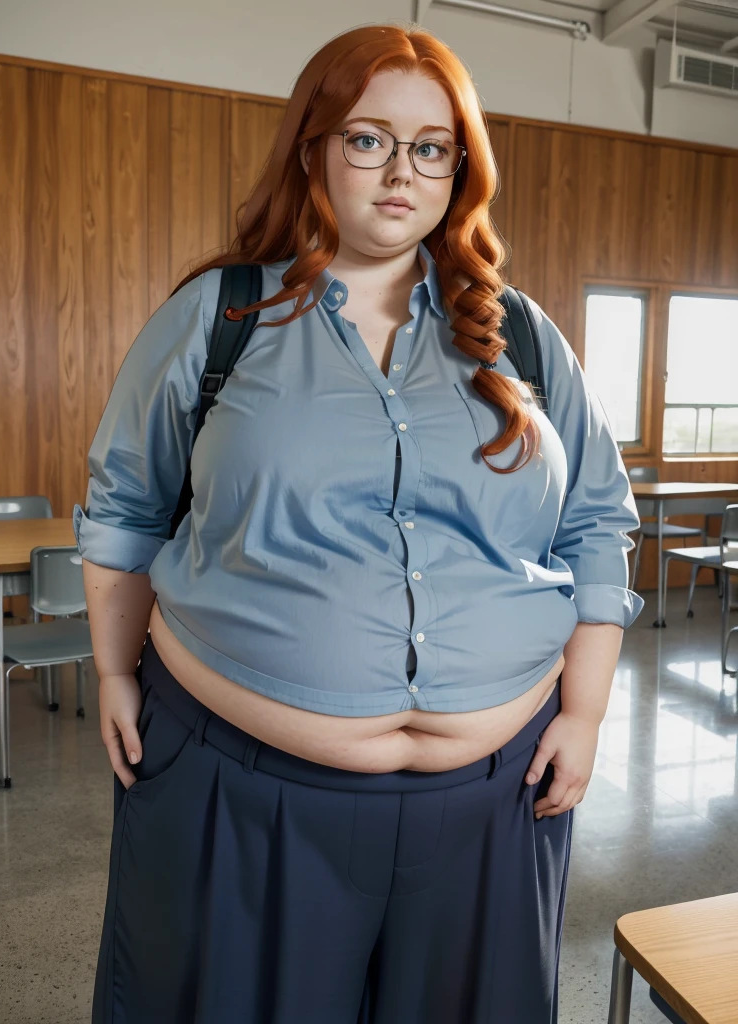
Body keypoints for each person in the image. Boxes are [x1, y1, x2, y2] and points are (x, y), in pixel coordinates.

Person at [75, 22, 644, 1024]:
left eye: (431, 146)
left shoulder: (524, 336)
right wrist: (117, 673)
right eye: (368, 138)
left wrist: (587, 714)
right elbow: (125, 506)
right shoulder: (221, 317)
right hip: (241, 793)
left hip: (498, 802)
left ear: (459, 168)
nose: (401, 170)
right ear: (313, 148)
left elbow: (596, 521)